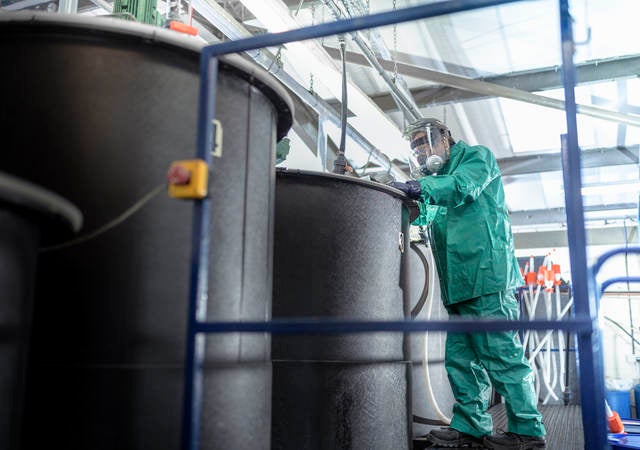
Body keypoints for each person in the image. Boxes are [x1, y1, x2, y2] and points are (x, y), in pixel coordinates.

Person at [389, 118, 546, 449]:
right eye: (416, 145)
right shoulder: (435, 181)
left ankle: (528, 431)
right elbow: (425, 215)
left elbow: (463, 187)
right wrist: (391, 197)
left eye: (426, 141)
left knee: (501, 355)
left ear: (445, 139)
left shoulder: (476, 158)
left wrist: (419, 188)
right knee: (461, 361)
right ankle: (471, 426)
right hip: (457, 285)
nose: (422, 150)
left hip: (486, 276)